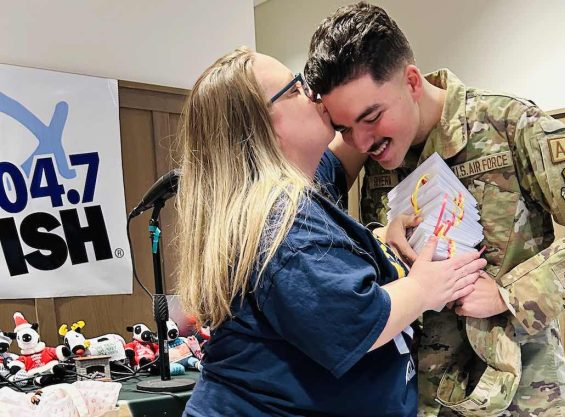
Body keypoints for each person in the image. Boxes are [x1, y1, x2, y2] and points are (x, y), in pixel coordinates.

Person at [304, 3, 565, 416]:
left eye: (371, 117)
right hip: (419, 396)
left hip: (520, 396)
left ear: (411, 81)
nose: (361, 142)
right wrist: (382, 240)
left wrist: (509, 294)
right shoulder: (375, 161)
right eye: (345, 129)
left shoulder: (508, 123)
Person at [176, 47, 487, 417]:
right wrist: (424, 287)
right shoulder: (281, 222)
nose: (314, 95)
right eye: (295, 89)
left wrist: (393, 98)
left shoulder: (291, 189)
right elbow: (358, 324)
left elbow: (341, 156)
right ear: (263, 130)